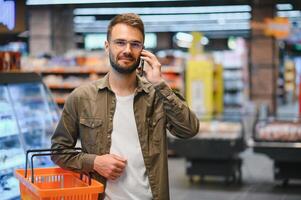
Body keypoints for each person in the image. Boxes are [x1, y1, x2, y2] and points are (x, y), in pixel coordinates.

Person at [51, 13, 199, 200]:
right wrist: (94, 162)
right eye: (120, 42)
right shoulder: (82, 97)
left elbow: (189, 129)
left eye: (135, 44)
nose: (127, 50)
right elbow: (58, 151)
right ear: (107, 46)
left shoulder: (156, 95)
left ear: (143, 51)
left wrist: (160, 84)